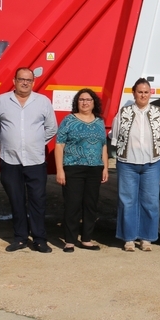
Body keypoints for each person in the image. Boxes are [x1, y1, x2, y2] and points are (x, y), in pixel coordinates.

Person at [0, 68, 58, 253]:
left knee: (38, 201)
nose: (25, 83)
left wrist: (35, 143)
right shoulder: (1, 101)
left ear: (33, 82)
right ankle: (20, 238)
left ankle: (39, 239)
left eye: (28, 80)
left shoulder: (42, 101)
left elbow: (52, 128)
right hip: (10, 160)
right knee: (16, 200)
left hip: (35, 160)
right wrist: (7, 143)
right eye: (21, 79)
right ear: (14, 81)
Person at [110, 78, 160, 252]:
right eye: (140, 92)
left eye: (146, 92)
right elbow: (115, 137)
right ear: (134, 93)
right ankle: (128, 238)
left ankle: (146, 238)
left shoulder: (159, 113)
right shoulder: (123, 112)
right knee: (127, 201)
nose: (143, 95)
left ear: (150, 93)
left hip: (152, 163)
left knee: (150, 201)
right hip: (127, 163)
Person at [54, 89, 109, 253]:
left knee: (90, 205)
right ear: (77, 102)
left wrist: (105, 167)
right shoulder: (68, 120)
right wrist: (60, 170)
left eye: (88, 100)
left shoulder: (99, 122)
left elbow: (103, 146)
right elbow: (59, 145)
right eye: (81, 99)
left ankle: (86, 239)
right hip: (73, 168)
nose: (85, 102)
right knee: (73, 204)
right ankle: (70, 241)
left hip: (95, 168)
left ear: (94, 103)